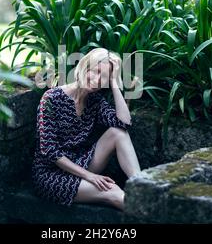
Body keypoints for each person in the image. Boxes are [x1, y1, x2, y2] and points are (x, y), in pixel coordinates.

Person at [31, 48, 141, 211]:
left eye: (104, 77)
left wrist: (115, 84)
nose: (97, 80)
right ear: (84, 67)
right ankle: (156, 214)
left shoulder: (94, 100)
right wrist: (90, 176)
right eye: (95, 71)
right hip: (51, 174)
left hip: (81, 163)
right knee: (113, 192)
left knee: (118, 133)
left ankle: (142, 185)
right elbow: (49, 151)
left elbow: (123, 123)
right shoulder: (51, 98)